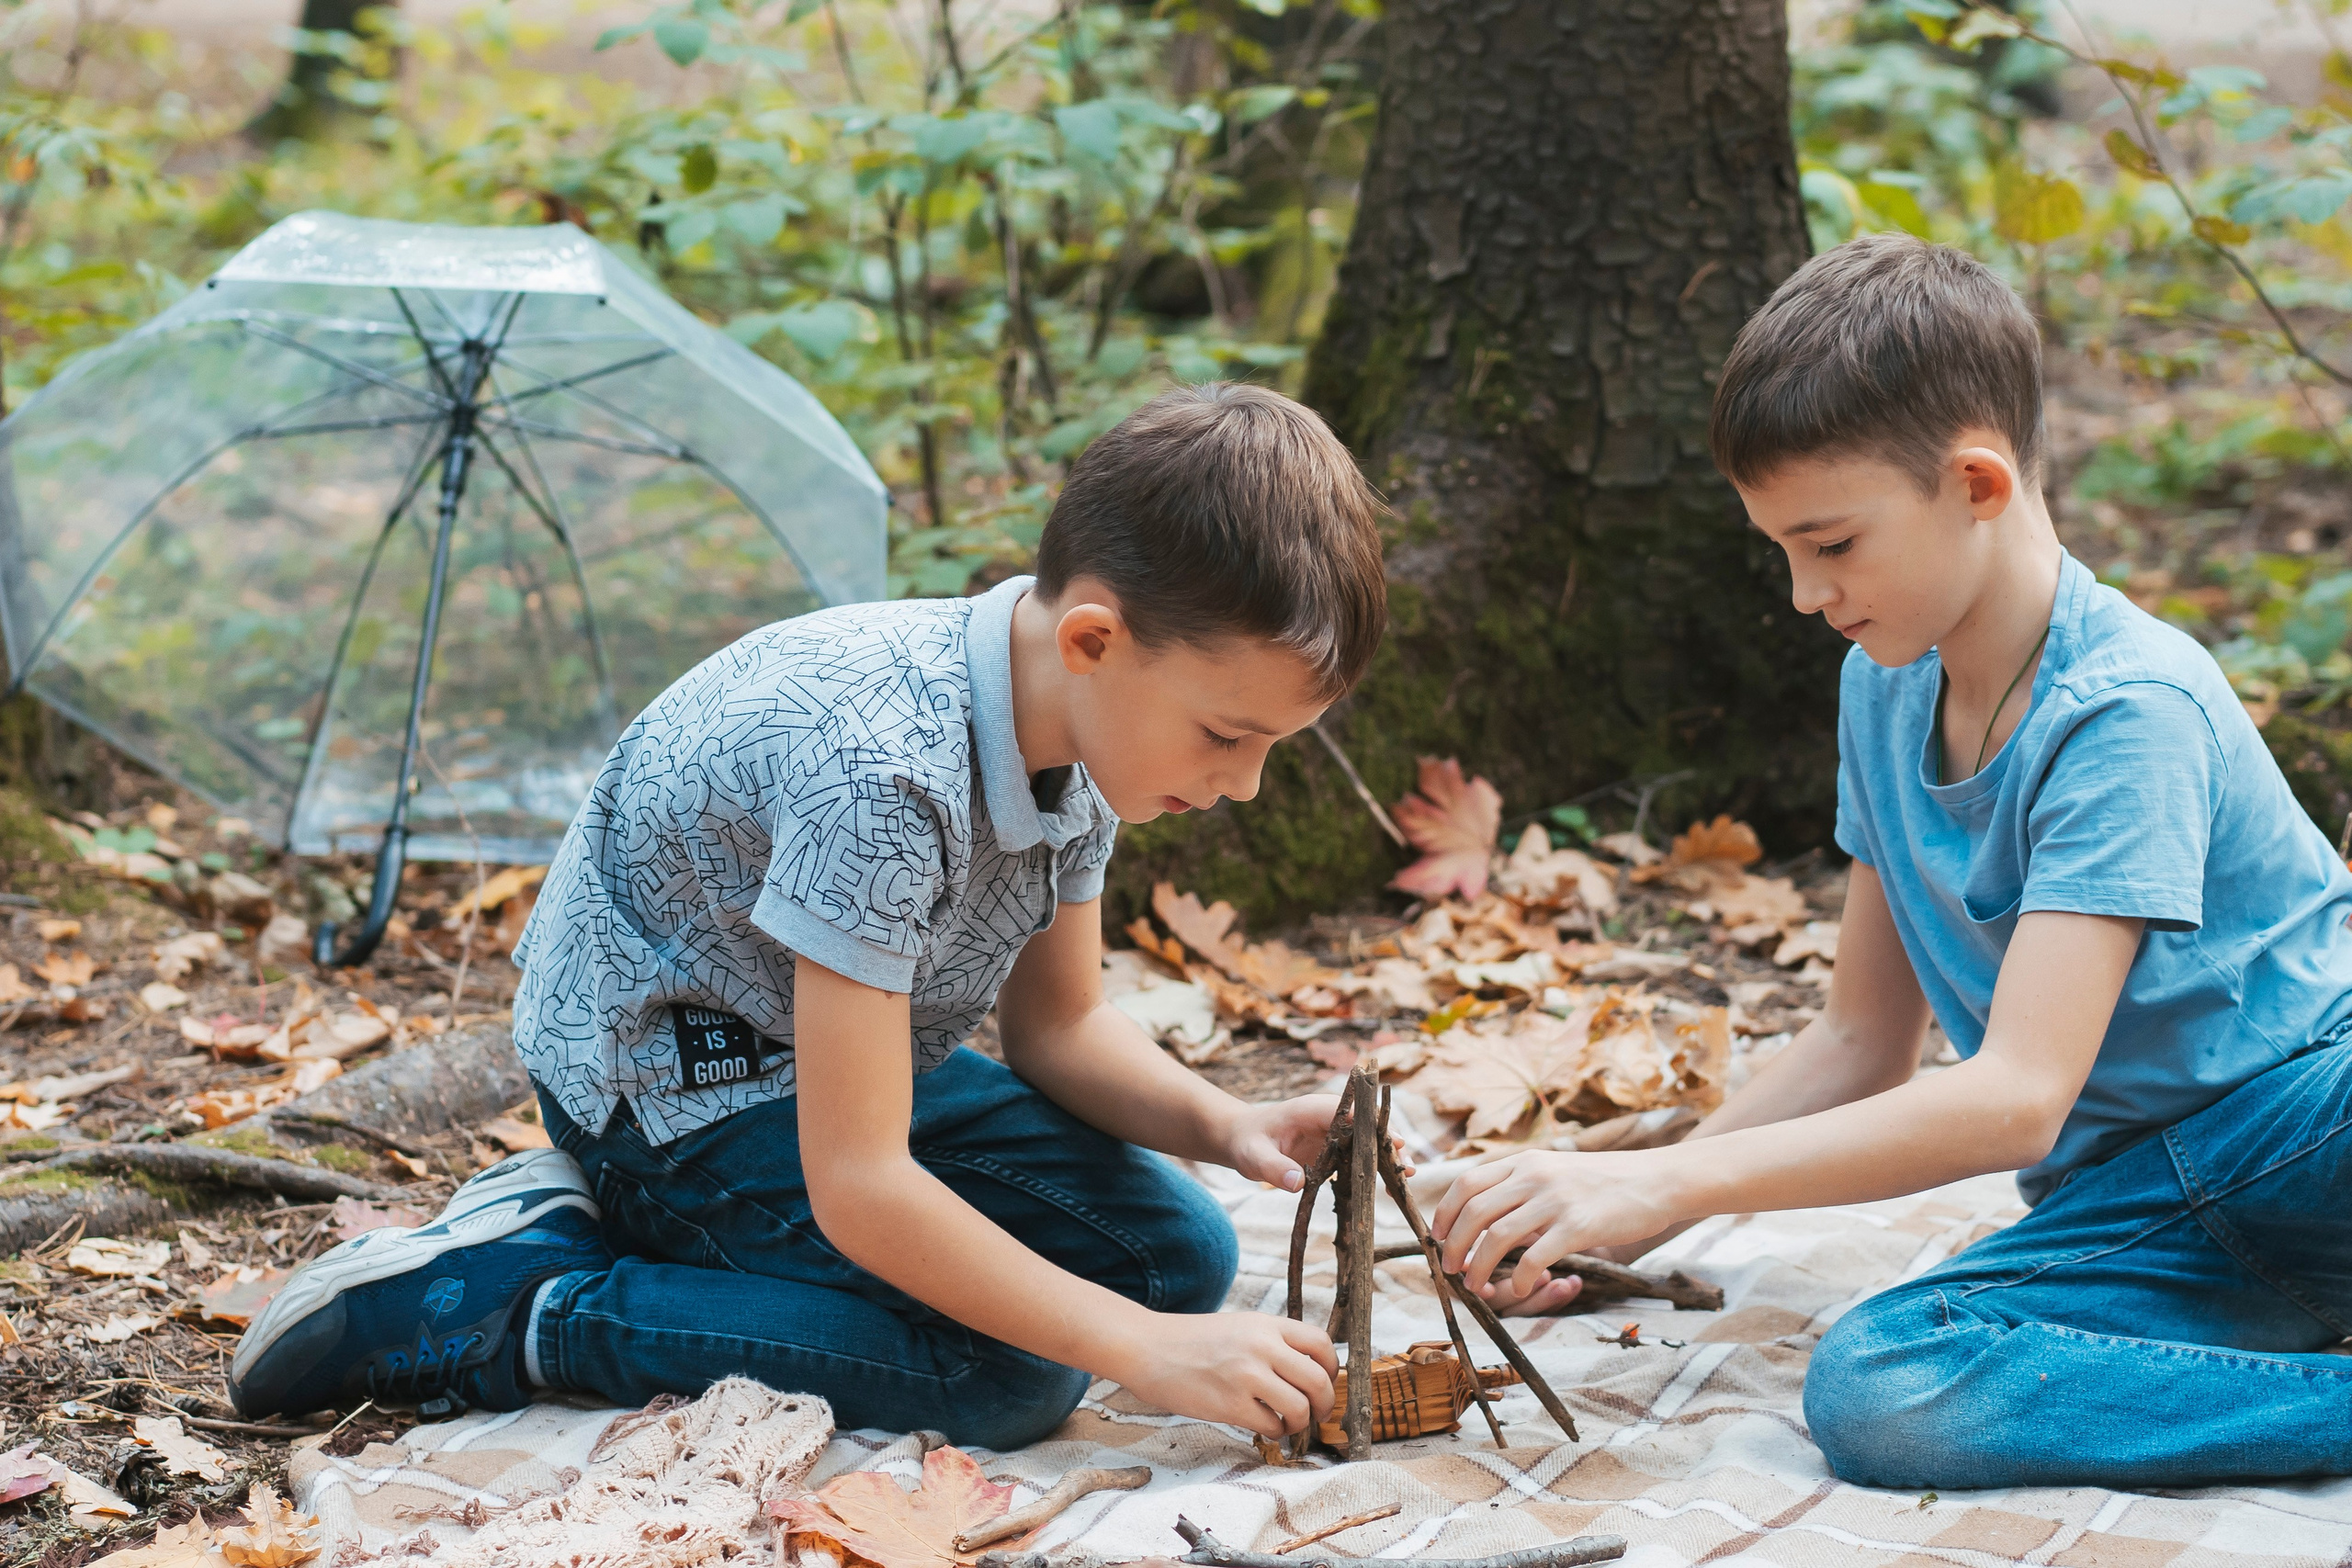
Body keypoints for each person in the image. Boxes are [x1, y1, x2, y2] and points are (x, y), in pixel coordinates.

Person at [227, 382, 1433, 1449]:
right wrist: (1139, 1352)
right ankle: (518, 1306)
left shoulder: (1090, 732)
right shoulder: (882, 771)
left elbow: (1062, 1031)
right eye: (1229, 736)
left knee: (1182, 1260)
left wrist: (1229, 1127)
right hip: (669, 1090)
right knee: (1013, 1374)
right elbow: (861, 1183)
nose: (1242, 784)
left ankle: (613, 1245)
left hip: (834, 1059)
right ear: (1093, 639)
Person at [1430, 232, 2352, 1490]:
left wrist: (1666, 1180)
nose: (1806, 594)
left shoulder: (2128, 708)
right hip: (2148, 1212)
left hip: (2309, 1132)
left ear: (1976, 483)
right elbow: (1861, 1042)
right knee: (1889, 1385)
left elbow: (2019, 1094)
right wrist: (1627, 1205)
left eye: (1834, 544)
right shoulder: (1882, 686)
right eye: (1783, 553)